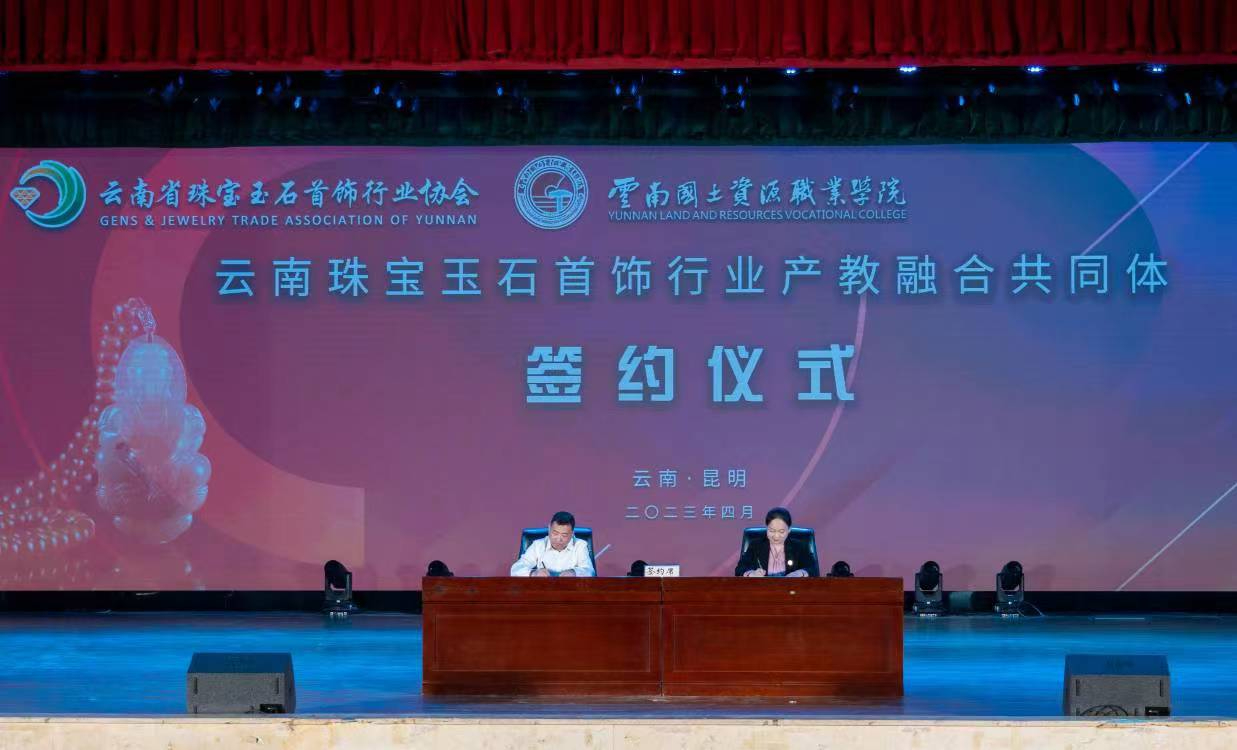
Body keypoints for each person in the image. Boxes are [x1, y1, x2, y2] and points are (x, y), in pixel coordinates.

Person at [735, 507, 819, 578]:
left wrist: (800, 573)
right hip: (762, 589)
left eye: (781, 531)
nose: (776, 536)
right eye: (772, 531)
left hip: (792, 590)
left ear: (789, 530)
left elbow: (813, 569)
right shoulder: (755, 545)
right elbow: (739, 569)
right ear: (767, 528)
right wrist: (752, 574)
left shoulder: (799, 546)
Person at [510, 511, 595, 577]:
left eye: (564, 535)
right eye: (555, 533)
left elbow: (589, 571)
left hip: (571, 591)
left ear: (572, 533)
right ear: (549, 528)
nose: (558, 539)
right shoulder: (538, 545)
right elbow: (516, 569)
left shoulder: (580, 546)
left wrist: (574, 572)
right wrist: (534, 573)